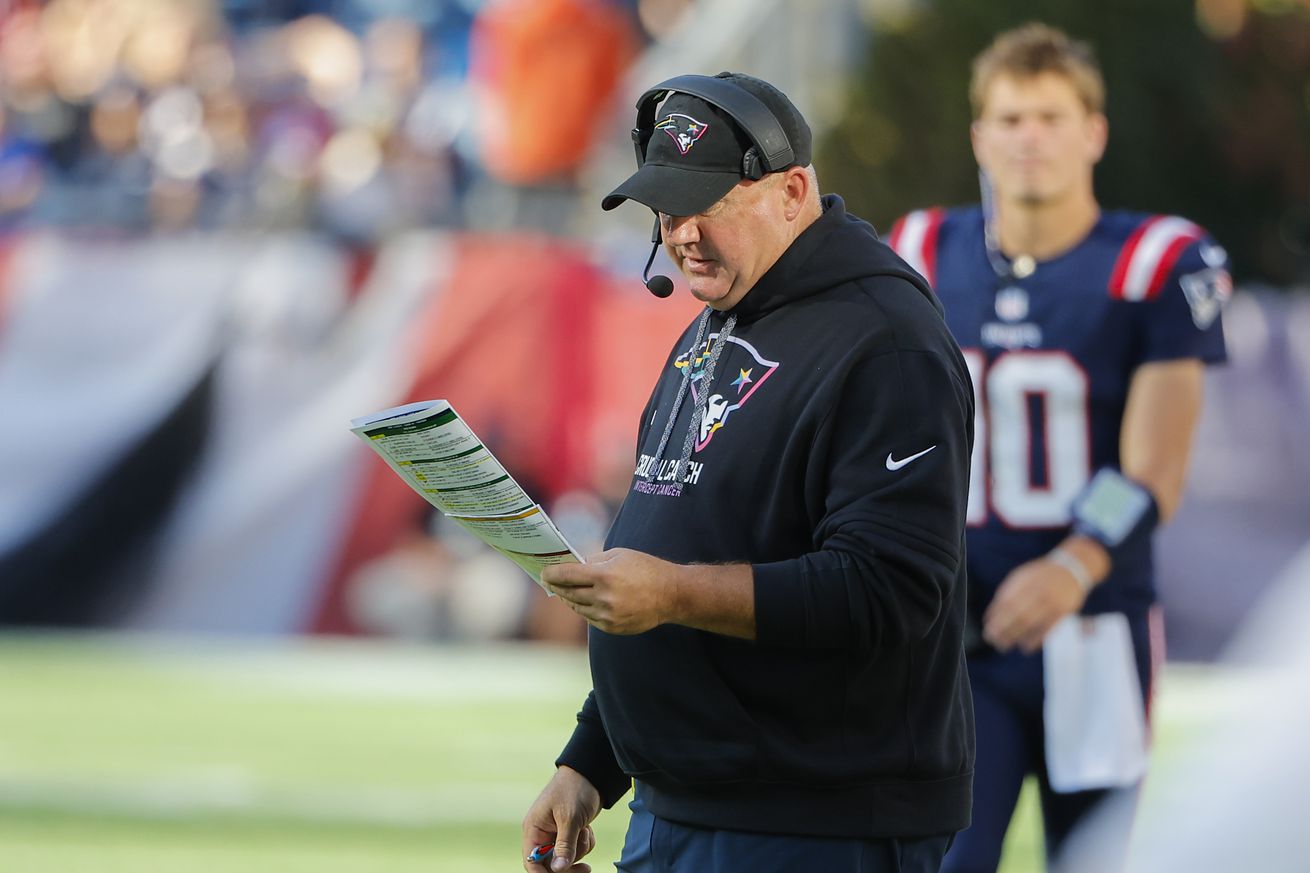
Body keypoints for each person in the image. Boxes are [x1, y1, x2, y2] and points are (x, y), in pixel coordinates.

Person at [520, 72, 975, 873]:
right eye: (667, 209)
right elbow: (677, 526)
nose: (684, 233)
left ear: (793, 190)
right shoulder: (719, 320)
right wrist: (590, 760)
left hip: (816, 821)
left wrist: (669, 591)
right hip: (688, 802)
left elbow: (889, 588)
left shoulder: (886, 342)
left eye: (709, 203)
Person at [887, 23, 1231, 873]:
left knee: (1089, 861)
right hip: (961, 626)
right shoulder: (923, 249)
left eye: (1049, 116)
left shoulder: (1153, 260)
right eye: (1009, 119)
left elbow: (1153, 468)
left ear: (1093, 131)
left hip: (1094, 624)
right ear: (980, 137)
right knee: (948, 859)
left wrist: (1073, 563)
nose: (1029, 138)